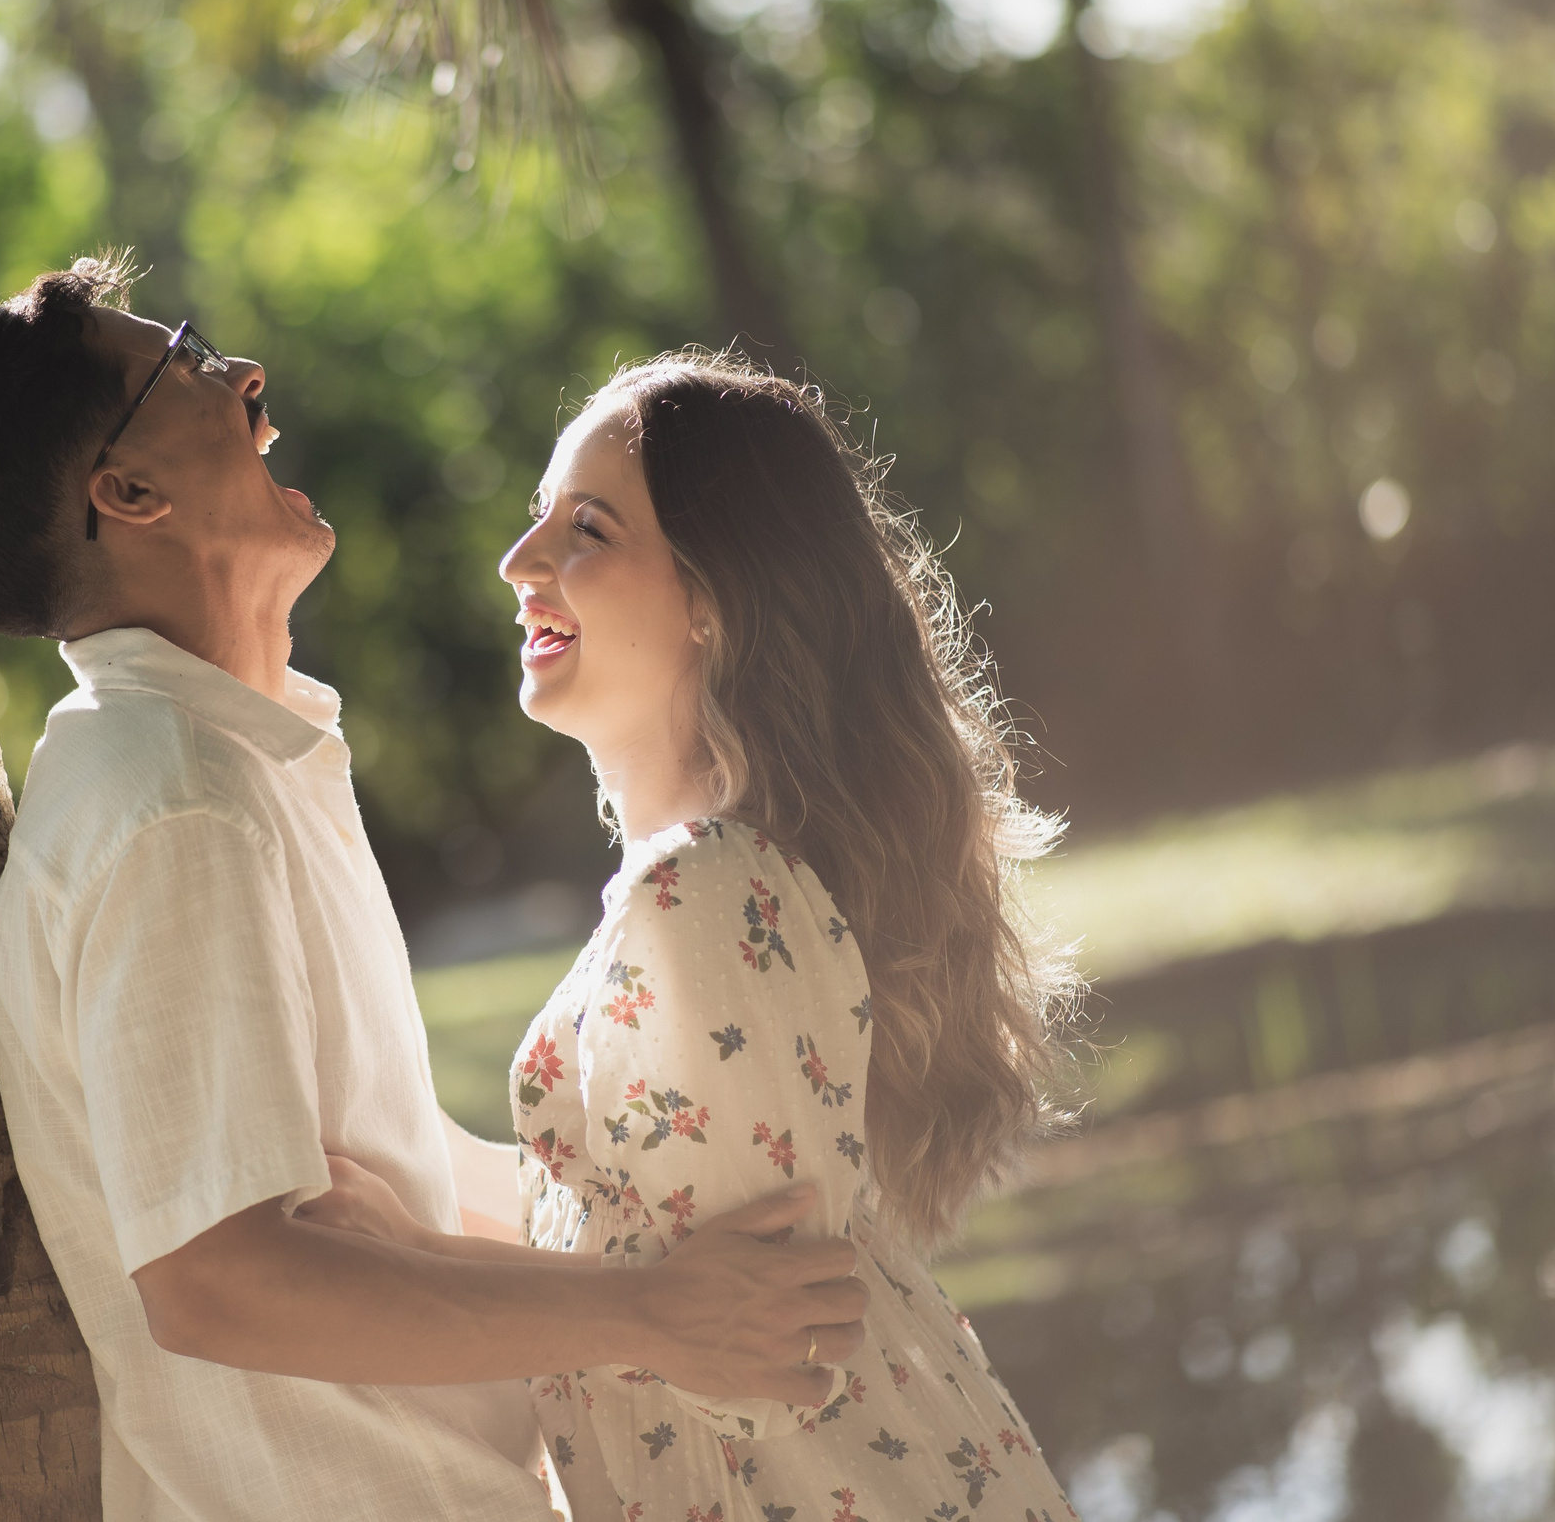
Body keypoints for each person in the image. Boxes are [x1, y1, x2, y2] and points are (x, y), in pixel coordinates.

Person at [0, 261, 869, 1521]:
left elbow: (411, 1175)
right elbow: (217, 1277)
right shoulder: (170, 794)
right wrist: (652, 1313)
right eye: (185, 359)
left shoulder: (230, 759)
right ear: (126, 490)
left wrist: (714, 1265)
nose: (247, 379)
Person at [302, 353, 1081, 1521]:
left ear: (713, 594)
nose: (520, 565)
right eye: (536, 523)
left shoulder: (710, 893)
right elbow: (641, 1228)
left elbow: (750, 1349)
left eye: (589, 529)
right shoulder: (716, 881)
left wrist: (400, 1267)